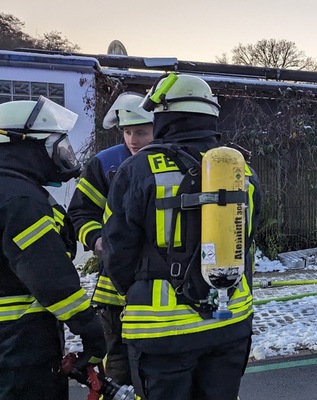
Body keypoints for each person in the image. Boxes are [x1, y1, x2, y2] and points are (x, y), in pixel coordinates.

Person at [102, 73, 262, 400]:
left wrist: (137, 287)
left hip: (162, 332)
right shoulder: (242, 170)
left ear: (163, 117)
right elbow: (247, 237)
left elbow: (117, 250)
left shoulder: (138, 169)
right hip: (230, 322)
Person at [0, 97, 106, 399]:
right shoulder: (20, 200)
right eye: (52, 143)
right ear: (25, 145)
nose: (61, 151)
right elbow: (49, 275)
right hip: (18, 347)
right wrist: (91, 330)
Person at [68, 92, 154, 386]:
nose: (132, 140)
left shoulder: (172, 163)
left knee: (157, 370)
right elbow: (80, 212)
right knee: (118, 368)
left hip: (158, 289)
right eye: (127, 132)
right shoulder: (106, 164)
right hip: (113, 292)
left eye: (141, 132)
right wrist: (96, 240)